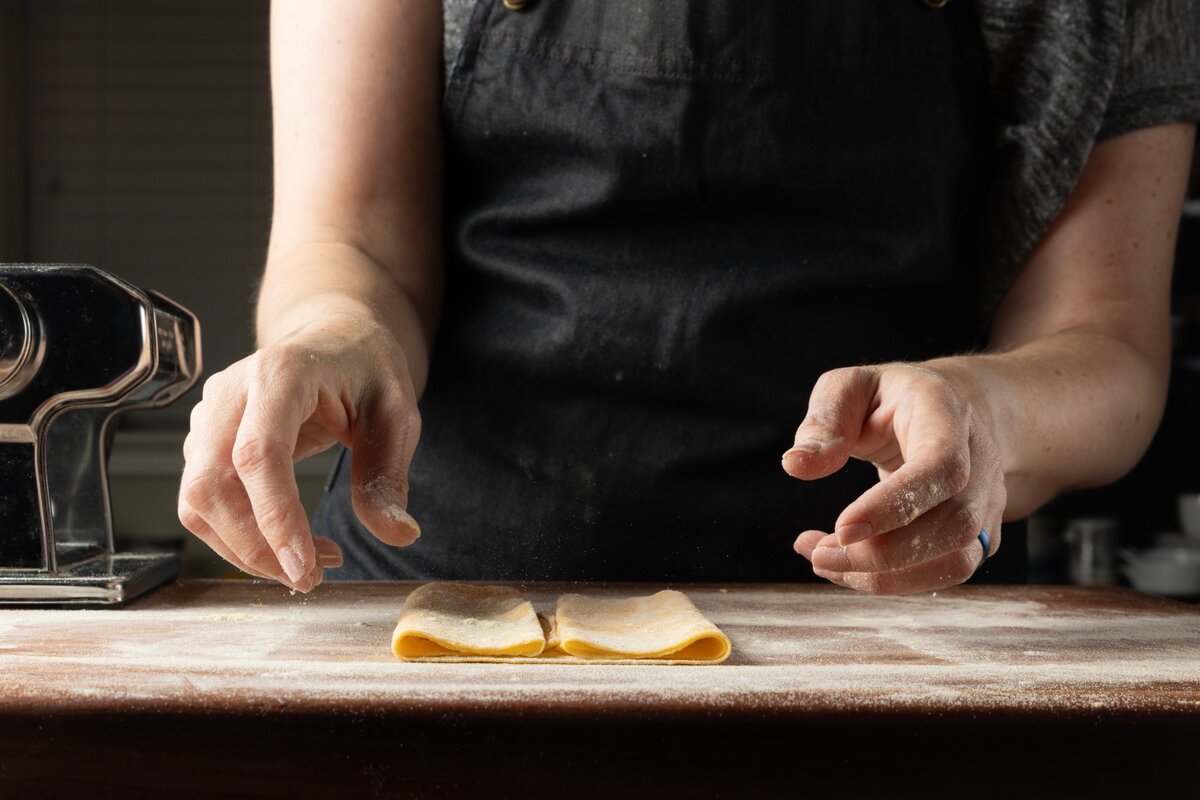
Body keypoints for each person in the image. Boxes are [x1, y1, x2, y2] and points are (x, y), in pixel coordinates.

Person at [178, 0, 1199, 595]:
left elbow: (1103, 340)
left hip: (880, 641)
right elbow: (353, 242)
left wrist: (987, 412)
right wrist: (332, 337)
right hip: (441, 605)